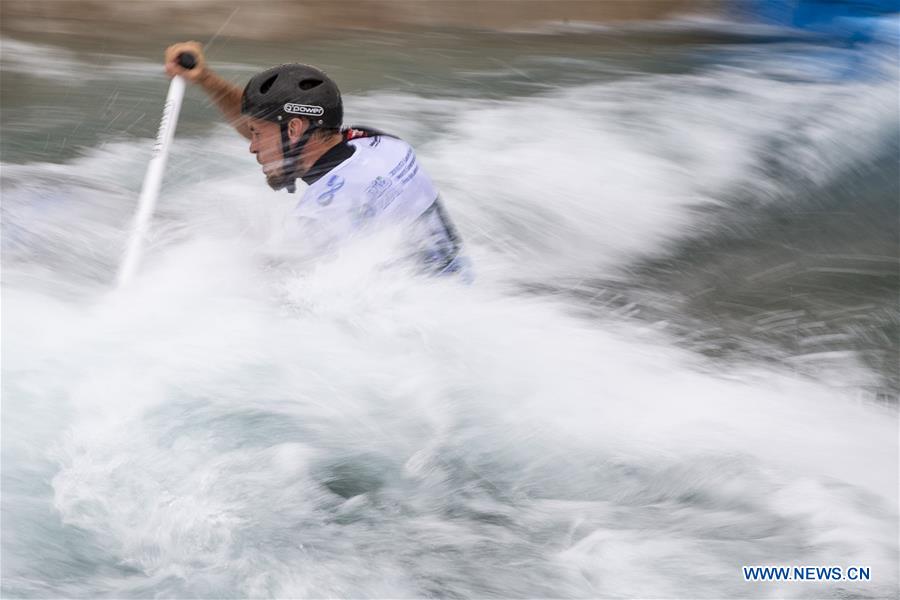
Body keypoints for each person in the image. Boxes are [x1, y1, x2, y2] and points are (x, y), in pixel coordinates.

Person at [164, 41, 468, 276]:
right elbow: (275, 133)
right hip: (457, 287)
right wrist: (205, 79)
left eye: (256, 135)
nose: (252, 147)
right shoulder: (377, 142)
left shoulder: (324, 213)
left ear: (295, 128)